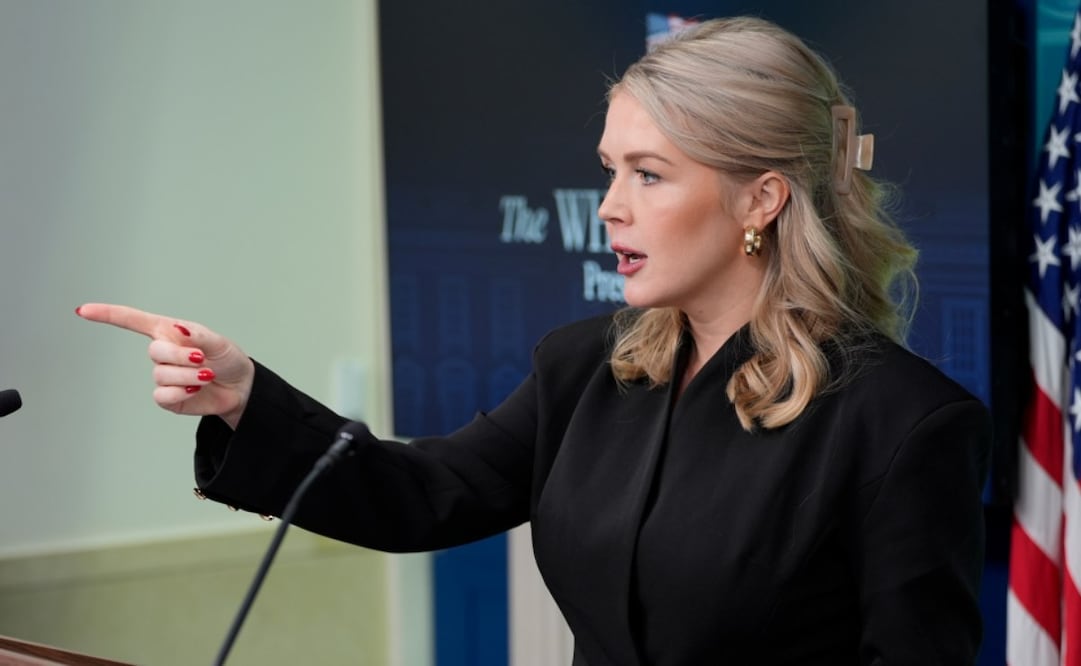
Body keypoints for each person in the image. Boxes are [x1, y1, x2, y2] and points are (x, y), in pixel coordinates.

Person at [77, 16, 991, 666]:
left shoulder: (904, 423)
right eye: (609, 170)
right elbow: (420, 495)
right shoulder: (589, 366)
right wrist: (243, 395)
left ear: (761, 198)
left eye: (649, 174)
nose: (610, 208)